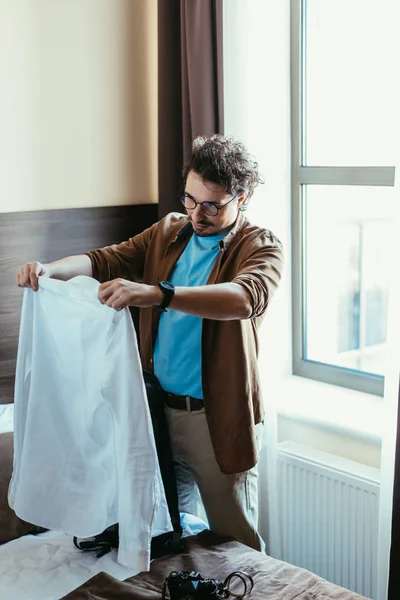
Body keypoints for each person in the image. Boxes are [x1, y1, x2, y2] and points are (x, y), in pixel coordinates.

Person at [16, 134, 284, 551]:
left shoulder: (260, 246)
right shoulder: (169, 232)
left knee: (236, 545)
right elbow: (106, 260)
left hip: (215, 420)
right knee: (169, 536)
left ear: (242, 196)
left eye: (212, 205)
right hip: (156, 412)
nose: (198, 213)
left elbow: (244, 298)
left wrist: (160, 293)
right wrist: (50, 270)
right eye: (191, 200)